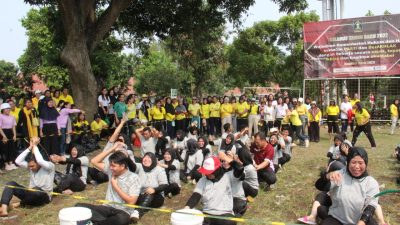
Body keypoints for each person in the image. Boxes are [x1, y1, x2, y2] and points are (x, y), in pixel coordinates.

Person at [78, 142, 141, 224]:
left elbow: (131, 202)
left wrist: (115, 186)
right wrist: (112, 149)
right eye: (110, 165)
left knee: (121, 219)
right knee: (79, 206)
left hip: (122, 211)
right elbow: (94, 161)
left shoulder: (134, 178)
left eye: (113, 166)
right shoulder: (111, 171)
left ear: (122, 166)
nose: (110, 168)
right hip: (106, 208)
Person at [320, 147, 381, 225]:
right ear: (348, 162)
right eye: (353, 162)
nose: (357, 167)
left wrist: (362, 222)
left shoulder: (371, 182)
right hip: (337, 218)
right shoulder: (339, 175)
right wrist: (326, 176)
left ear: (366, 163)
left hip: (360, 220)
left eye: (360, 163)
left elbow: (370, 207)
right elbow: (320, 186)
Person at [0, 137, 55, 217]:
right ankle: (4, 209)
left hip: (43, 196)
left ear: (39, 164)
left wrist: (35, 146)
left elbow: (39, 160)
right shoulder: (30, 167)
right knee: (10, 183)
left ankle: (19, 204)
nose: (30, 168)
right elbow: (17, 161)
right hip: (30, 193)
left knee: (36, 190)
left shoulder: (49, 166)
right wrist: (30, 147)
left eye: (32, 166)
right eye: (29, 166)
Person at [185, 156, 239, 225]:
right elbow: (196, 195)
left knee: (229, 222)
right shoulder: (202, 180)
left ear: (217, 169)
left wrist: (226, 157)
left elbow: (240, 169)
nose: (208, 174)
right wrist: (187, 208)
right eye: (206, 172)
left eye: (210, 172)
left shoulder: (228, 176)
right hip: (207, 213)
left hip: (224, 214)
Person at [134, 152, 168, 218]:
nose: (146, 160)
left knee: (149, 192)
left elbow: (165, 184)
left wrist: (154, 190)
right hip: (141, 195)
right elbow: (132, 165)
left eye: (149, 158)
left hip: (157, 197)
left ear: (153, 160)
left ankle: (138, 212)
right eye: (145, 158)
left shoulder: (159, 169)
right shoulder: (140, 167)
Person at [0, 103, 18, 171]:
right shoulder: (0, 116)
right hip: (2, 133)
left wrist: (14, 135)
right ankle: (6, 163)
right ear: (3, 110)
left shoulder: (12, 116)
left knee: (11, 147)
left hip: (10, 132)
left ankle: (11, 162)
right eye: (6, 109)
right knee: (4, 149)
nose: (8, 110)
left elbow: (13, 126)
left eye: (9, 109)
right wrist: (4, 136)